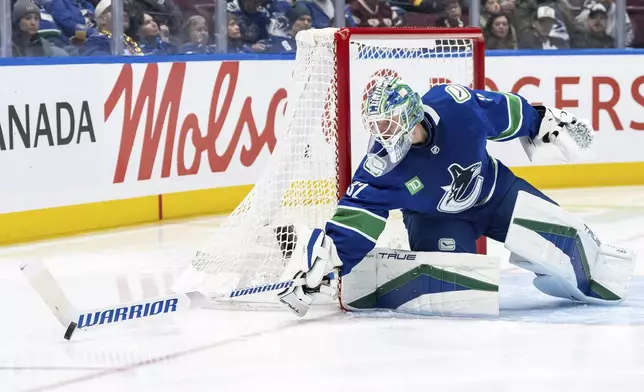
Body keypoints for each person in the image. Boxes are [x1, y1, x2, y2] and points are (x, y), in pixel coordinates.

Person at [277, 77, 636, 316]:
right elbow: (359, 214)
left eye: (387, 123)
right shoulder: (381, 165)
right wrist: (327, 260)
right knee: (459, 293)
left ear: (409, 114)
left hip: (498, 194)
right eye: (375, 126)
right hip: (436, 219)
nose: (381, 133)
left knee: (582, 259)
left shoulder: (455, 105)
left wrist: (542, 121)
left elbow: (505, 112)